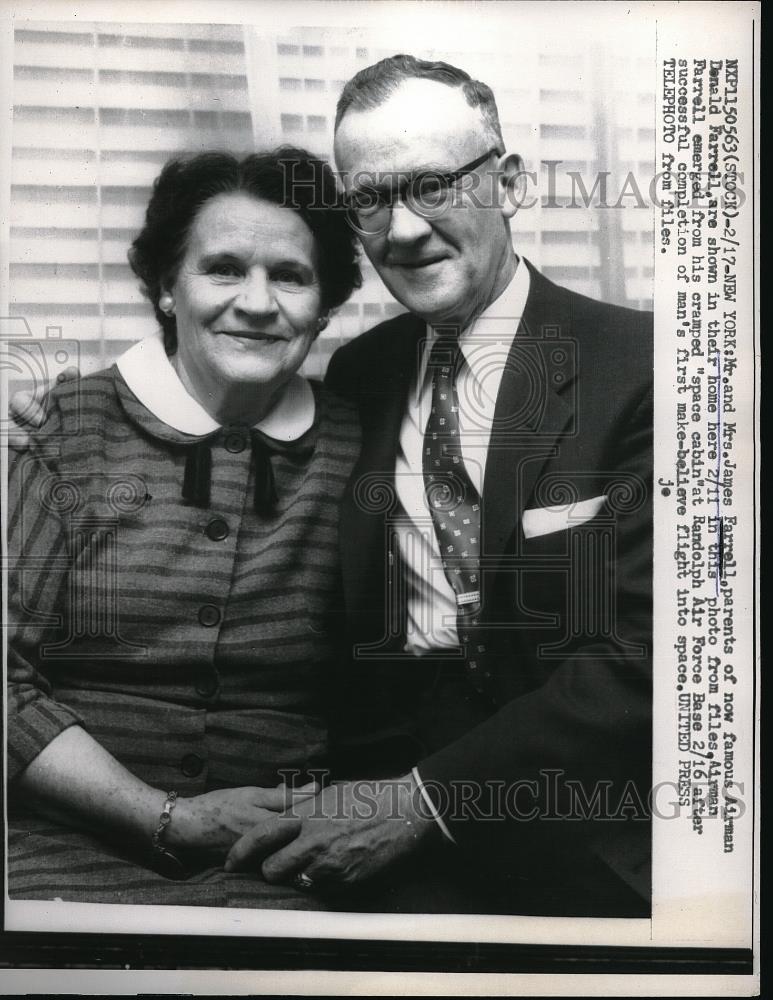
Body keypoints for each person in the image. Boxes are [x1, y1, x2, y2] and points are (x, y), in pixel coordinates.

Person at [223, 54, 654, 917]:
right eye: (370, 199)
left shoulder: (643, 367)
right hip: (369, 810)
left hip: (583, 825)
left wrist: (425, 802)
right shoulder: (359, 373)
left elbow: (652, 655)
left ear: (509, 182)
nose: (403, 229)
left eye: (431, 186)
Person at [5, 147, 370, 908]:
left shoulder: (358, 446)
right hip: (62, 852)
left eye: (291, 276)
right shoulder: (60, 429)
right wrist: (162, 817)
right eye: (224, 268)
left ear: (325, 306)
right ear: (167, 288)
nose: (258, 303)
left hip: (285, 859)